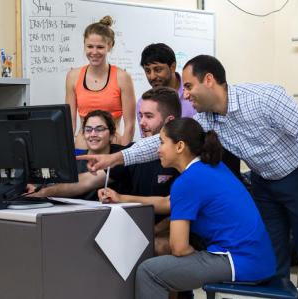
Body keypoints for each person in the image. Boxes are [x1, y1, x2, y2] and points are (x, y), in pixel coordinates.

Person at [78, 55, 298, 299]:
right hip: (263, 181)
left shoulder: (264, 98)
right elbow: (161, 140)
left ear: (209, 80)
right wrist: (115, 158)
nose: (185, 94)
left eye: (189, 86)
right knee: (273, 256)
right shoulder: (207, 120)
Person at [134, 118, 276, 299]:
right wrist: (122, 198)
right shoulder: (211, 168)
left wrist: (193, 254)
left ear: (179, 146)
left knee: (149, 272)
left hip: (238, 262)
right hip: (259, 260)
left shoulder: (188, 181)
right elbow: (171, 203)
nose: (158, 149)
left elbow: (178, 248)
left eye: (162, 142)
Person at [101, 86, 181, 255]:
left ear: (169, 121)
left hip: (168, 232)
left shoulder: (182, 157)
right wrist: (48, 189)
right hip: (135, 229)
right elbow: (88, 180)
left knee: (159, 245)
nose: (141, 122)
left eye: (149, 116)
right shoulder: (132, 151)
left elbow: (176, 207)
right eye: (140, 115)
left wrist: (150, 231)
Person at [66, 16, 135, 148]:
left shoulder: (122, 78)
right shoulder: (73, 76)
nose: (94, 52)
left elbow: (130, 125)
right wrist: (68, 153)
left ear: (110, 46)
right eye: (90, 46)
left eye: (100, 47)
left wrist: (123, 155)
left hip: (112, 149)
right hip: (82, 148)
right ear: (84, 45)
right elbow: (70, 122)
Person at [29, 110, 130, 199]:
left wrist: (45, 192)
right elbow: (52, 181)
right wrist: (35, 187)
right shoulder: (75, 159)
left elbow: (86, 182)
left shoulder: (121, 156)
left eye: (99, 129)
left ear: (112, 134)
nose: (93, 134)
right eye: (88, 129)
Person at [137, 43, 196, 133]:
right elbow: (146, 140)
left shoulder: (193, 95)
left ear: (172, 67)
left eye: (158, 70)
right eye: (147, 71)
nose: (152, 76)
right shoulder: (142, 104)